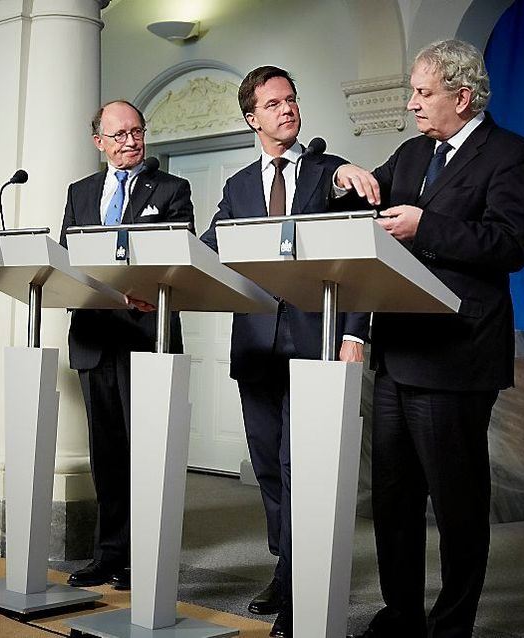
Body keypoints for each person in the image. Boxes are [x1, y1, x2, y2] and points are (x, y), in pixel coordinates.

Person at [335, 40, 524, 638]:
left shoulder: (511, 156)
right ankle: (400, 614)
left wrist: (428, 226)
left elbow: (510, 245)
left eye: (423, 93)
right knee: (393, 500)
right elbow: (352, 199)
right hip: (398, 353)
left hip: (458, 354)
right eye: (413, 92)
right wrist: (344, 176)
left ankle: (451, 625)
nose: (412, 104)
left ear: (463, 95)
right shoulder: (408, 153)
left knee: (456, 505)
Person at [199, 66, 369, 638]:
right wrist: (163, 272)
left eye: (291, 100)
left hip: (314, 343)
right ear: (252, 118)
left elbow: (358, 256)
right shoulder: (240, 185)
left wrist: (354, 333)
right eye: (273, 104)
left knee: (303, 468)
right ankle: (284, 561)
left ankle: (301, 585)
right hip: (255, 344)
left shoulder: (328, 172)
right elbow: (213, 246)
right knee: (268, 465)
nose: (286, 110)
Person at [59, 100, 194, 590]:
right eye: (118, 135)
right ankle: (109, 555)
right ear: (99, 143)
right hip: (95, 338)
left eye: (137, 132)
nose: (130, 142)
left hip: (146, 337)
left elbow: (178, 255)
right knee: (108, 456)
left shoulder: (172, 189)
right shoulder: (80, 193)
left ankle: (148, 558)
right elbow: (69, 259)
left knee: (148, 456)